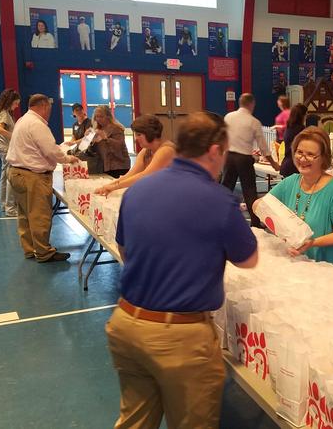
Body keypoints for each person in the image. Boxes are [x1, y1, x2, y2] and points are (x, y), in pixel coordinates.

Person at [106, 111, 258, 429]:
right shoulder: (218, 199)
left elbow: (124, 248)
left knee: (135, 419)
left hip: (126, 325)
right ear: (215, 151)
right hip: (179, 337)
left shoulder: (139, 190)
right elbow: (248, 259)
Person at [256, 127, 333, 270]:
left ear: (323, 158)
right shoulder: (291, 182)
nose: (302, 158)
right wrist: (278, 227)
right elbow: (259, 204)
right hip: (299, 264)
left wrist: (313, 242)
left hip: (329, 268)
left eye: (310, 154)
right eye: (299, 152)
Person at [6, 94, 79, 262]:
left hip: (16, 172)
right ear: (44, 106)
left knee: (25, 214)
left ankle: (30, 249)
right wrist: (68, 159)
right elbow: (50, 150)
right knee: (39, 215)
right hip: (32, 176)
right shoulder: (37, 124)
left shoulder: (22, 120)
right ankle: (44, 252)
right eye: (49, 109)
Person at [222, 93, 280, 227]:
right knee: (249, 191)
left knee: (225, 188)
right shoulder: (254, 122)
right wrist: (274, 164)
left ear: (240, 103)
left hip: (229, 156)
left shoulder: (228, 117)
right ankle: (255, 222)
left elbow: (223, 138)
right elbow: (263, 147)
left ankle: (220, 215)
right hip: (244, 158)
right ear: (251, 104)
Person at [96, 115, 177, 195]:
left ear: (150, 133)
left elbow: (145, 175)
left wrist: (113, 187)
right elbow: (131, 174)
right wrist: (107, 186)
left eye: (139, 135)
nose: (135, 138)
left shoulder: (166, 150)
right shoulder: (146, 150)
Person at [0, 89, 21, 217]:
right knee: (10, 177)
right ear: (10, 101)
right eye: (15, 103)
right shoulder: (4, 114)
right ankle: (10, 208)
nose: (17, 106)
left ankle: (4, 204)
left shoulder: (1, 112)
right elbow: (0, 130)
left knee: (4, 176)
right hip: (5, 147)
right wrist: (14, 136)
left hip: (1, 146)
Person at [91, 105, 131, 178]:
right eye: (96, 117)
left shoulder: (116, 128)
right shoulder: (98, 129)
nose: (98, 119)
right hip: (105, 165)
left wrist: (106, 138)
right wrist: (89, 139)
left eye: (101, 116)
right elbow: (94, 151)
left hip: (119, 165)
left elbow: (119, 146)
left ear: (108, 116)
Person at [279, 103, 308, 178]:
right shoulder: (302, 130)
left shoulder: (288, 128)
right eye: (306, 115)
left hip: (287, 165)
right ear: (302, 116)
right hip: (295, 166)